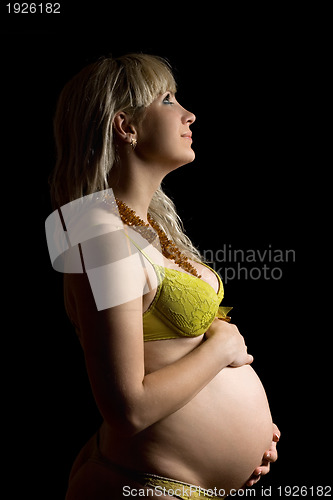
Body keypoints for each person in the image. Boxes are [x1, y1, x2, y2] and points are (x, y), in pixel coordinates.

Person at [47, 53, 280, 500]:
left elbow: (171, 346)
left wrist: (250, 435)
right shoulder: (98, 233)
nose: (188, 113)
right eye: (168, 99)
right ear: (125, 126)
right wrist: (223, 348)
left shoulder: (146, 226)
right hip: (140, 484)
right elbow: (127, 409)